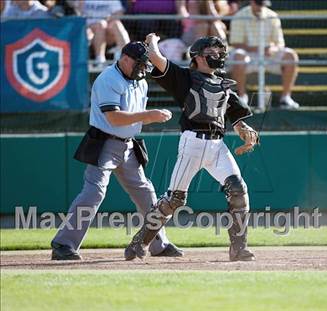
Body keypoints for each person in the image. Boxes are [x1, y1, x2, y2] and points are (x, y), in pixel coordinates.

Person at [124, 34, 260, 262]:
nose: (217, 56)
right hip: (192, 143)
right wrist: (152, 40)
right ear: (197, 57)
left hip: (218, 145)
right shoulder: (185, 78)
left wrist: (246, 132)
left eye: (219, 53)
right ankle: (140, 241)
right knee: (174, 199)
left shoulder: (223, 84)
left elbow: (236, 117)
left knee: (238, 190)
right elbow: (156, 58)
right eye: (211, 53)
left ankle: (239, 248)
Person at [51, 42, 183, 260]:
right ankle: (63, 244)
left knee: (145, 191)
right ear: (125, 59)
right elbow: (114, 117)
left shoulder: (140, 82)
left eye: (145, 64)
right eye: (139, 63)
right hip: (104, 143)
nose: (143, 68)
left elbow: (133, 117)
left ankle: (159, 244)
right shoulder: (108, 79)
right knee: (94, 192)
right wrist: (148, 115)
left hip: (128, 144)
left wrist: (148, 116)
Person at [229, 0, 300, 109]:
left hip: (268, 56)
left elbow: (279, 43)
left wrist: (272, 49)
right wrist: (257, 49)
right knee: (238, 56)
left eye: (263, 4)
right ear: (252, 2)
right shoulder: (240, 16)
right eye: (258, 3)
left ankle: (286, 98)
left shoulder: (273, 16)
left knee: (291, 56)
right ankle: (242, 98)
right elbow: (235, 43)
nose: (261, 7)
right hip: (248, 55)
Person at [76, 0, 130, 66]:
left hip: (107, 32)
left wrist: (108, 21)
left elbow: (118, 12)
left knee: (116, 24)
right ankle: (100, 60)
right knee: (100, 26)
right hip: (89, 31)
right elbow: (77, 13)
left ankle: (127, 56)